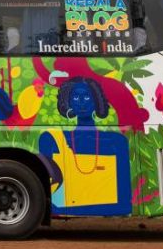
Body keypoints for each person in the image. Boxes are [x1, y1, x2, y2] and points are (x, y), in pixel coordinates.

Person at [38, 76, 131, 216]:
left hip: (109, 208)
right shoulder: (52, 140)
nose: (81, 103)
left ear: (96, 101)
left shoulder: (117, 142)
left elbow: (124, 199)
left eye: (87, 98)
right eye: (75, 98)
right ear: (68, 103)